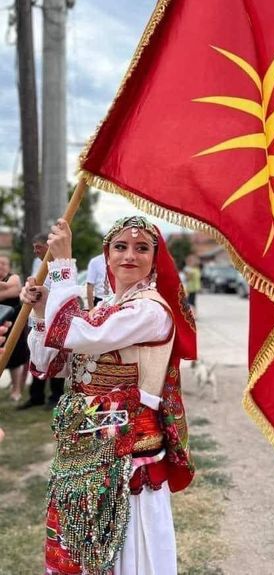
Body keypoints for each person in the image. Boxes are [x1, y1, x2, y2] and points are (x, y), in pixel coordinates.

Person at [22, 215, 196, 575]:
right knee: (78, 545)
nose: (129, 256)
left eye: (141, 248)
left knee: (127, 550)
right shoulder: (103, 308)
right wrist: (41, 313)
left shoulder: (151, 310)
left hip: (126, 457)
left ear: (155, 257)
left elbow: (78, 333)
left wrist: (62, 266)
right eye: (120, 246)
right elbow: (48, 364)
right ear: (107, 255)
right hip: (81, 450)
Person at [18, 232, 65, 410]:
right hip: (37, 316)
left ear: (48, 246)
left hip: (55, 317)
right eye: (34, 248)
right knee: (35, 356)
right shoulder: (37, 263)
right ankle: (36, 396)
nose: (36, 251)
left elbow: (62, 291)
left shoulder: (61, 264)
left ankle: (55, 396)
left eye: (39, 247)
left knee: (55, 356)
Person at [0, 255, 29, 401]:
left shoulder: (14, 278)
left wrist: (4, 289)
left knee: (15, 357)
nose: (1, 266)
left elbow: (11, 290)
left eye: (4, 263)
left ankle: (16, 389)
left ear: (9, 266)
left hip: (14, 323)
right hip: (1, 324)